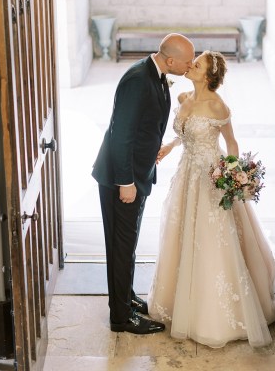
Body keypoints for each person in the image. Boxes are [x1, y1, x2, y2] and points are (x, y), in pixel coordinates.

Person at [147, 50, 275, 348]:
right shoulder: (183, 98)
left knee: (212, 239)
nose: (191, 66)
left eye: (197, 65)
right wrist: (170, 146)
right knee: (181, 234)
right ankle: (180, 301)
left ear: (208, 76)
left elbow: (231, 143)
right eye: (193, 63)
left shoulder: (218, 106)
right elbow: (185, 135)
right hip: (186, 176)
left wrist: (233, 175)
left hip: (210, 177)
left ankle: (215, 315)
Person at [92, 33, 195, 334]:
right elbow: (121, 133)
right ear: (171, 59)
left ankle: (125, 298)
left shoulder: (157, 74)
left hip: (139, 172)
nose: (191, 65)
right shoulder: (138, 79)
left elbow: (144, 126)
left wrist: (153, 153)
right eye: (188, 61)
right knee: (121, 246)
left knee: (128, 243)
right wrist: (126, 182)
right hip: (121, 178)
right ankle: (121, 319)